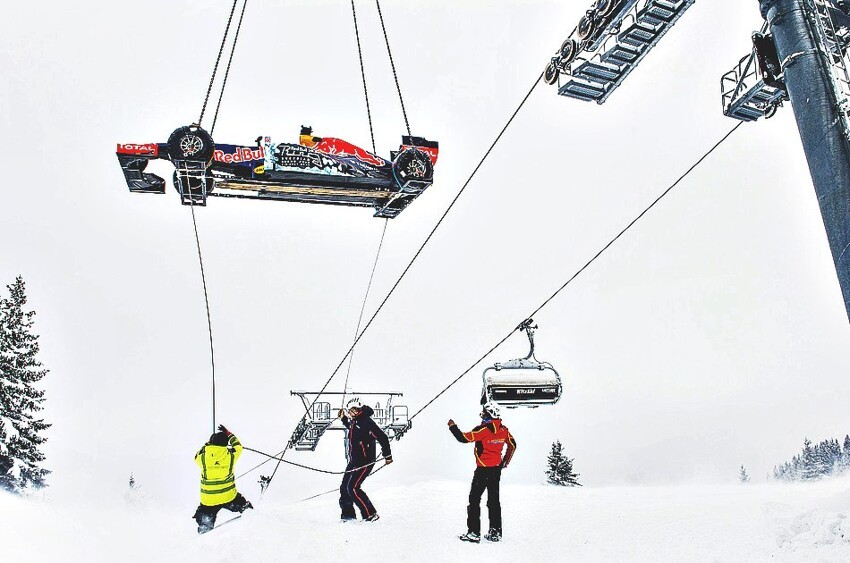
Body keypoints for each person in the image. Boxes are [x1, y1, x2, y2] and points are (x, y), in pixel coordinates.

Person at [448, 401, 516, 544]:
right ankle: (495, 533)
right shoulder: (504, 430)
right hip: (496, 470)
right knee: (493, 501)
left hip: (483, 470)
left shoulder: (483, 430)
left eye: (484, 414)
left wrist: (452, 427)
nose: (482, 416)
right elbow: (513, 445)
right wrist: (505, 461)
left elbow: (463, 438)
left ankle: (474, 533)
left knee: (474, 499)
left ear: (489, 415)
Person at [338, 398, 393, 522]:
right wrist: (343, 419)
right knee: (344, 487)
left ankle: (370, 514)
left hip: (365, 462)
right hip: (354, 461)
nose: (351, 413)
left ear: (358, 409)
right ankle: (348, 516)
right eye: (350, 411)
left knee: (353, 488)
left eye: (353, 410)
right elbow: (353, 428)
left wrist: (387, 456)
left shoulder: (367, 422)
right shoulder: (354, 421)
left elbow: (383, 437)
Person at [192, 424, 253, 534]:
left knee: (205, 517)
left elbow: (196, 455)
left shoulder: (203, 457)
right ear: (226, 444)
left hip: (208, 501)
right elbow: (238, 446)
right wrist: (228, 433)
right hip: (229, 497)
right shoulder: (231, 455)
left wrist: (208, 444)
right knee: (244, 506)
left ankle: (205, 527)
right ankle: (251, 516)